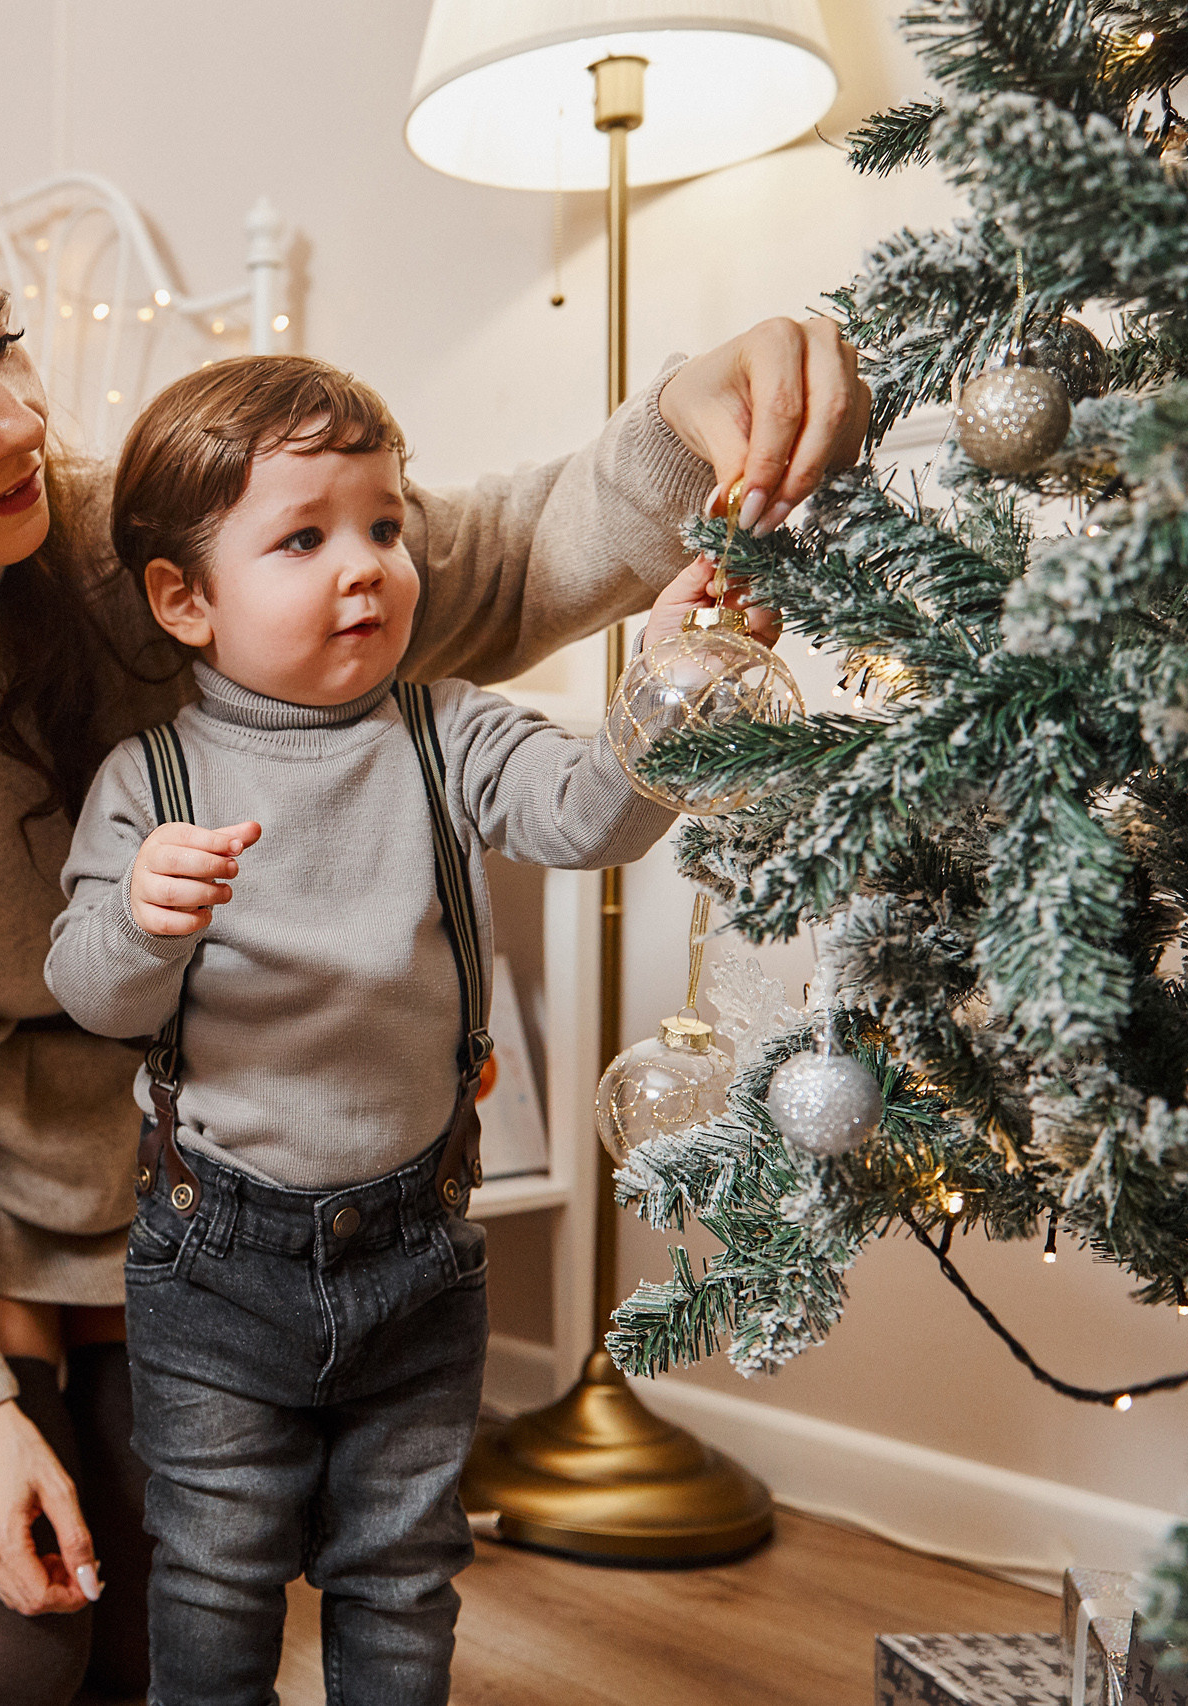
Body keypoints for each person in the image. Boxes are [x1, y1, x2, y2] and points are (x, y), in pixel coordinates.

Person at [0, 149, 865, 1706]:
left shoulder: (118, 547)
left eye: (2, 343)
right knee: (14, 1664)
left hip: (204, 1203)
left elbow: (487, 562)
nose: (17, 423)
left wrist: (677, 423)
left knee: (162, 1634)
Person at [47, 355, 708, 1705]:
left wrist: (668, 684)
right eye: (305, 537)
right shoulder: (149, 778)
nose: (368, 567)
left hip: (417, 1246)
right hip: (217, 1254)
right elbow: (90, 990)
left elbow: (587, 815)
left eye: (387, 527)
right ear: (185, 597)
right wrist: (144, 918)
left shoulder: (446, 729)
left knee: (403, 1567)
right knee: (217, 1569)